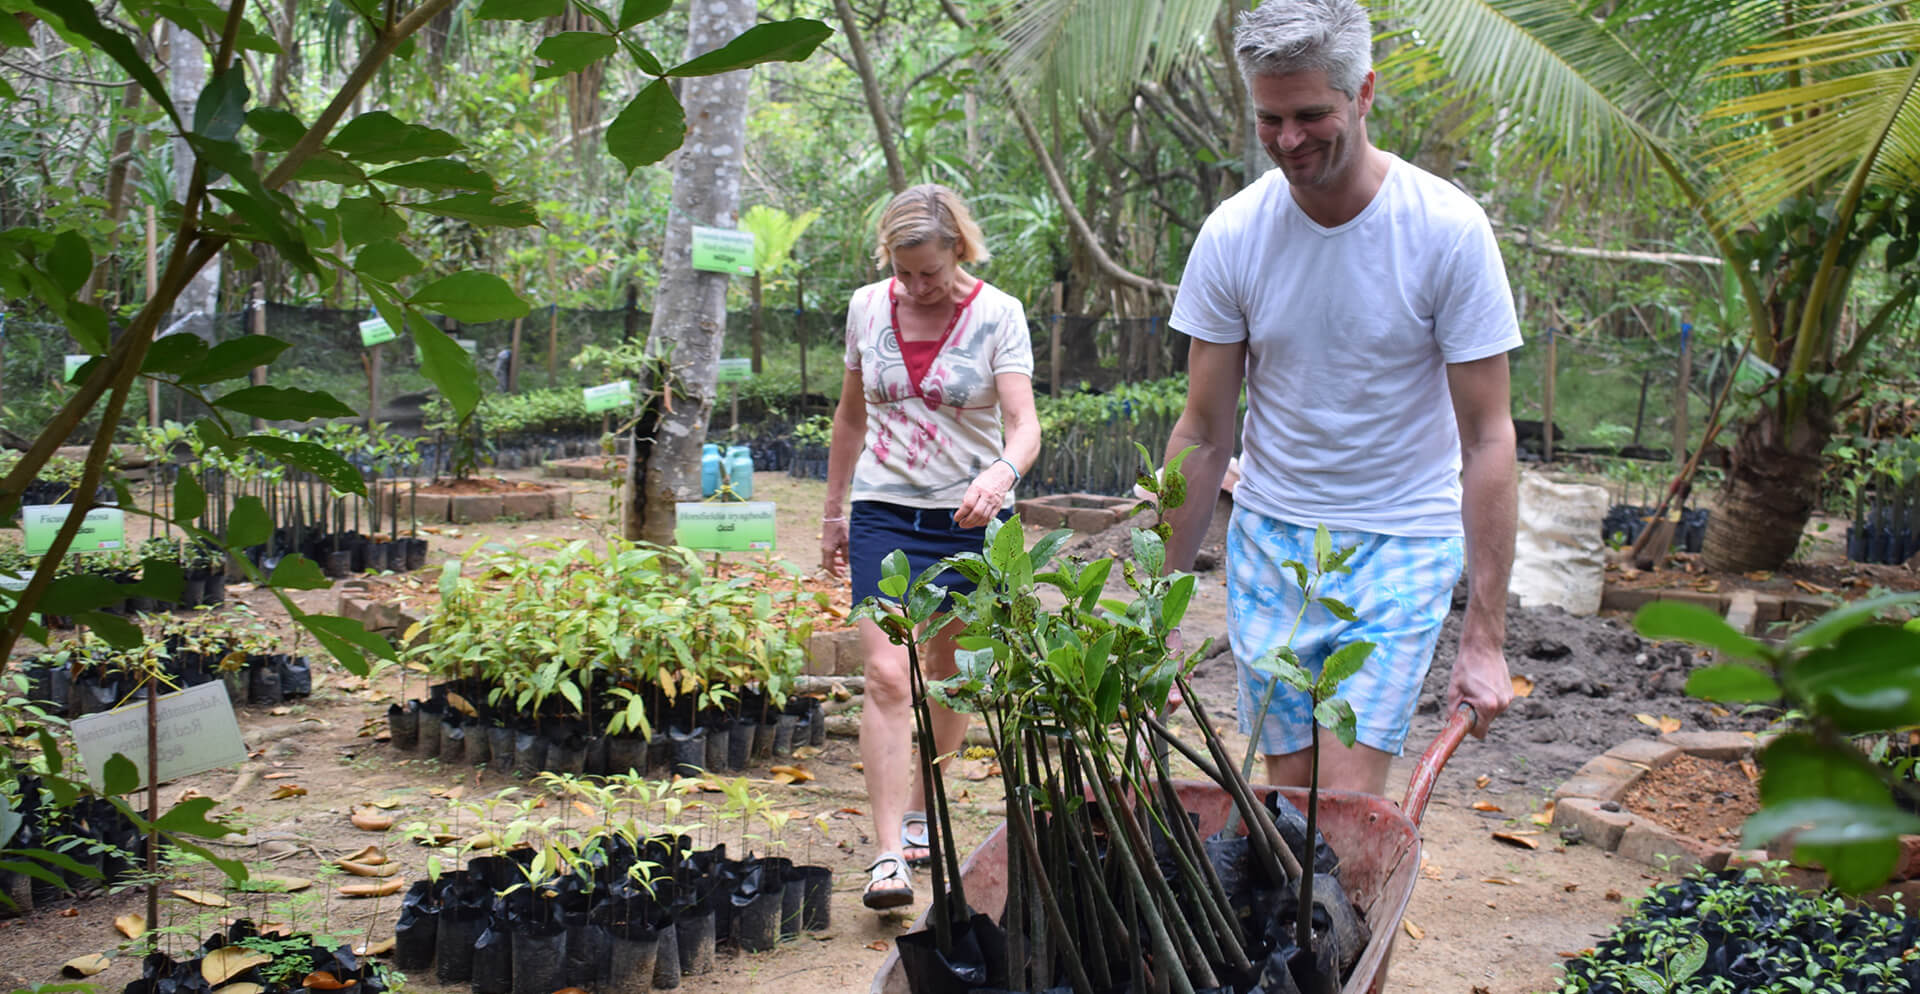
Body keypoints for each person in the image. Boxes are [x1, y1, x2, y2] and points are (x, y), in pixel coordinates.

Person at [1161, 0, 1520, 797]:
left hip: (1401, 537)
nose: (1290, 141)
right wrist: (1158, 603)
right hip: (1270, 539)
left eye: (1312, 114)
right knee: (1290, 800)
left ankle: (1330, 919)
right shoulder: (1233, 234)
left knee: (1343, 803)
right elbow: (1204, 429)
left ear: (1363, 94)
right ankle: (1310, 926)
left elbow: (1489, 438)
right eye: (1270, 118)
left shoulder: (1446, 230)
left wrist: (1484, 637)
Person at [820, 184, 1039, 910]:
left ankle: (923, 806)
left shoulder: (998, 315)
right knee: (886, 673)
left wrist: (1004, 472)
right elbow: (849, 420)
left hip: (970, 518)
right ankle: (887, 856)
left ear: (960, 253)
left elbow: (1024, 424)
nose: (918, 288)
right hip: (884, 510)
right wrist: (833, 513)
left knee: (947, 672)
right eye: (905, 272)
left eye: (932, 275)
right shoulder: (864, 307)